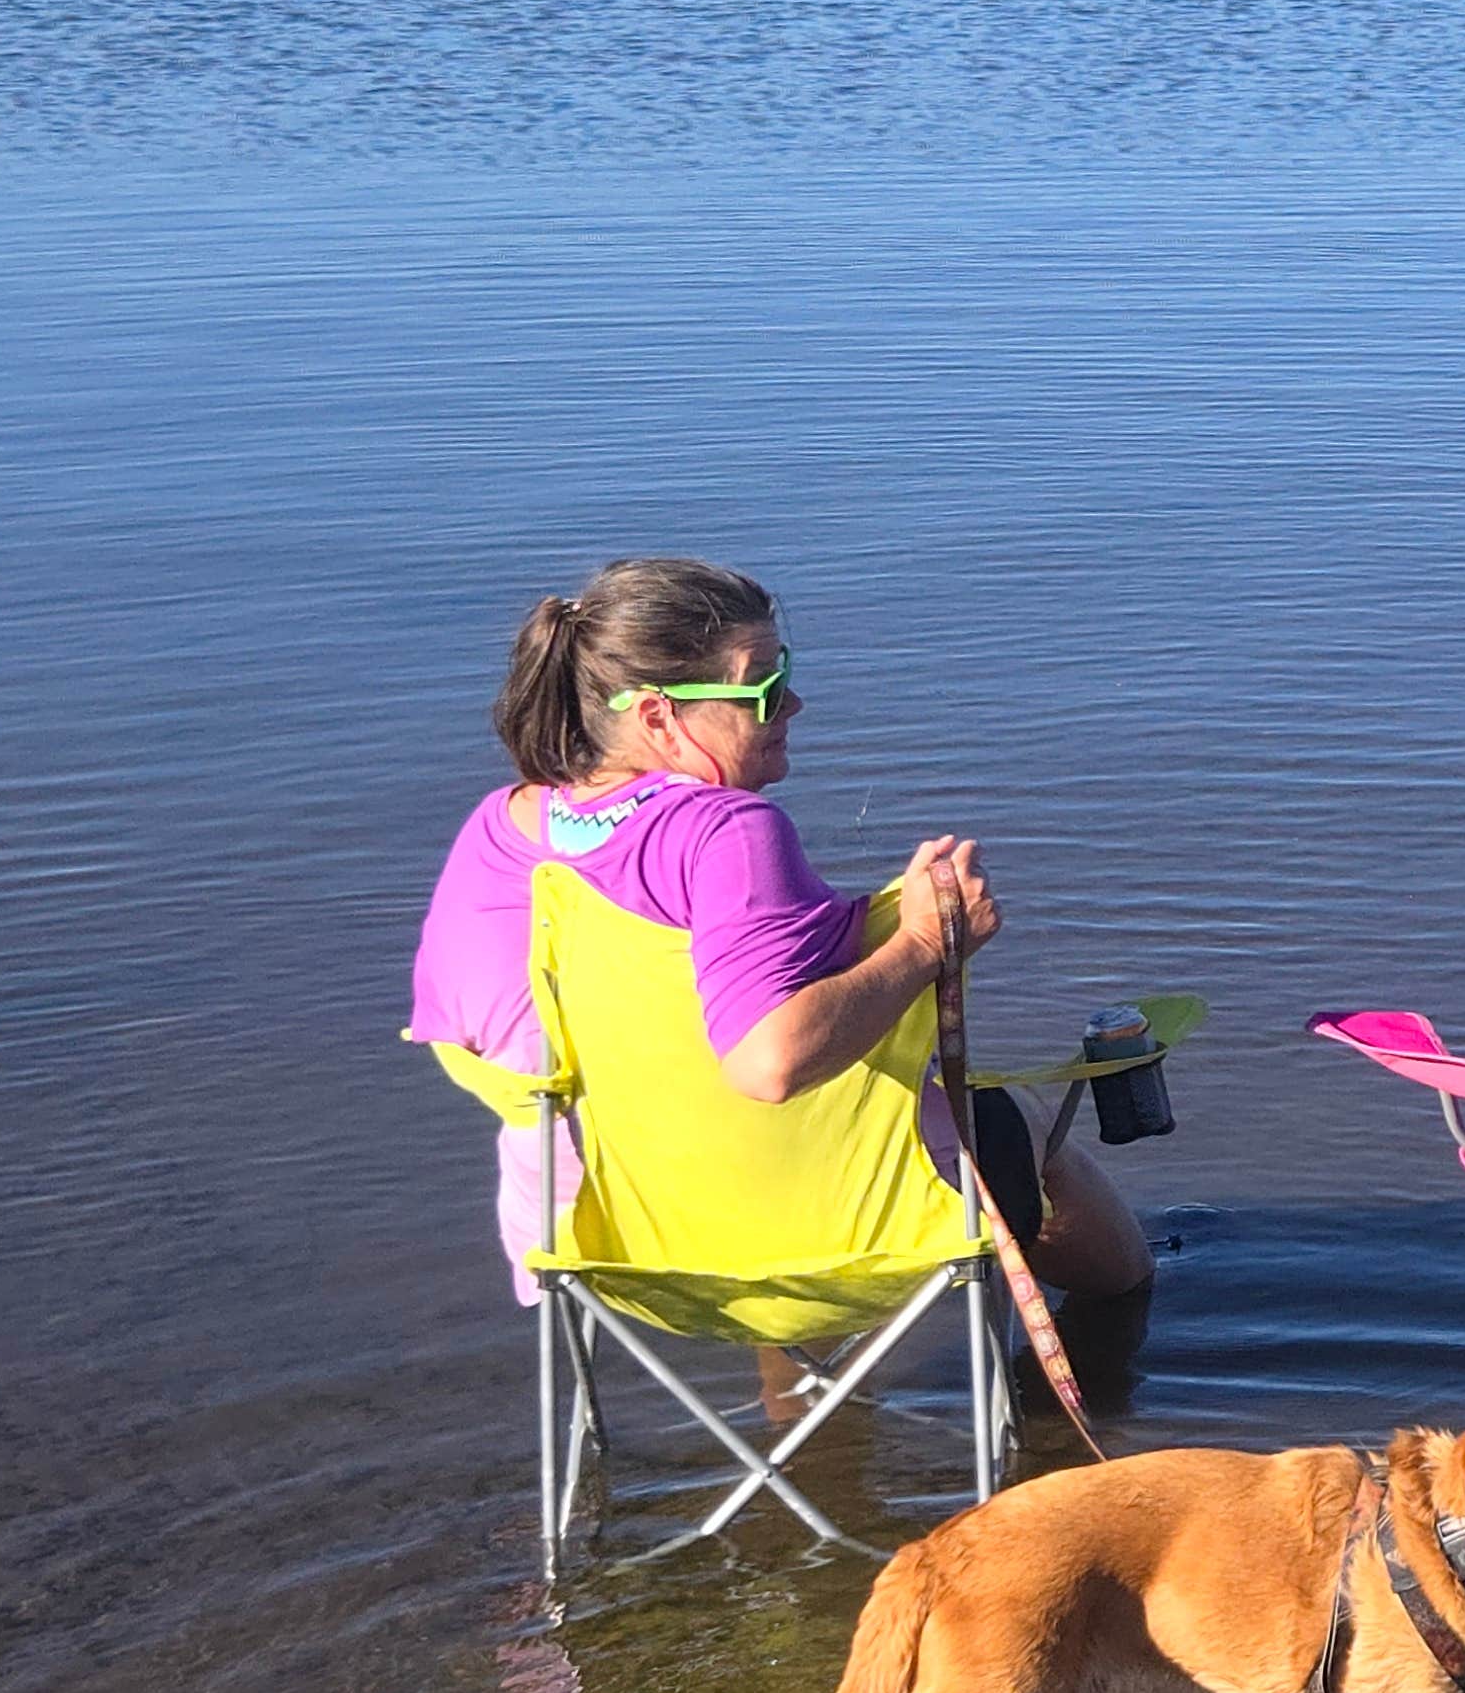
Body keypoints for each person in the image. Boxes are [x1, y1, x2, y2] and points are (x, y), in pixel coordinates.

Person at [407, 554, 1153, 1311]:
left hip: (593, 1244)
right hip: (819, 1231)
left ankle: (802, 1412)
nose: (793, 705)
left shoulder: (498, 833)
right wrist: (925, 943)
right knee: (1017, 1128)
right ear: (660, 716)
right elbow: (770, 1065)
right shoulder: (730, 833)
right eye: (762, 691)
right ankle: (1120, 1351)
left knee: (723, 1119)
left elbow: (469, 1039)